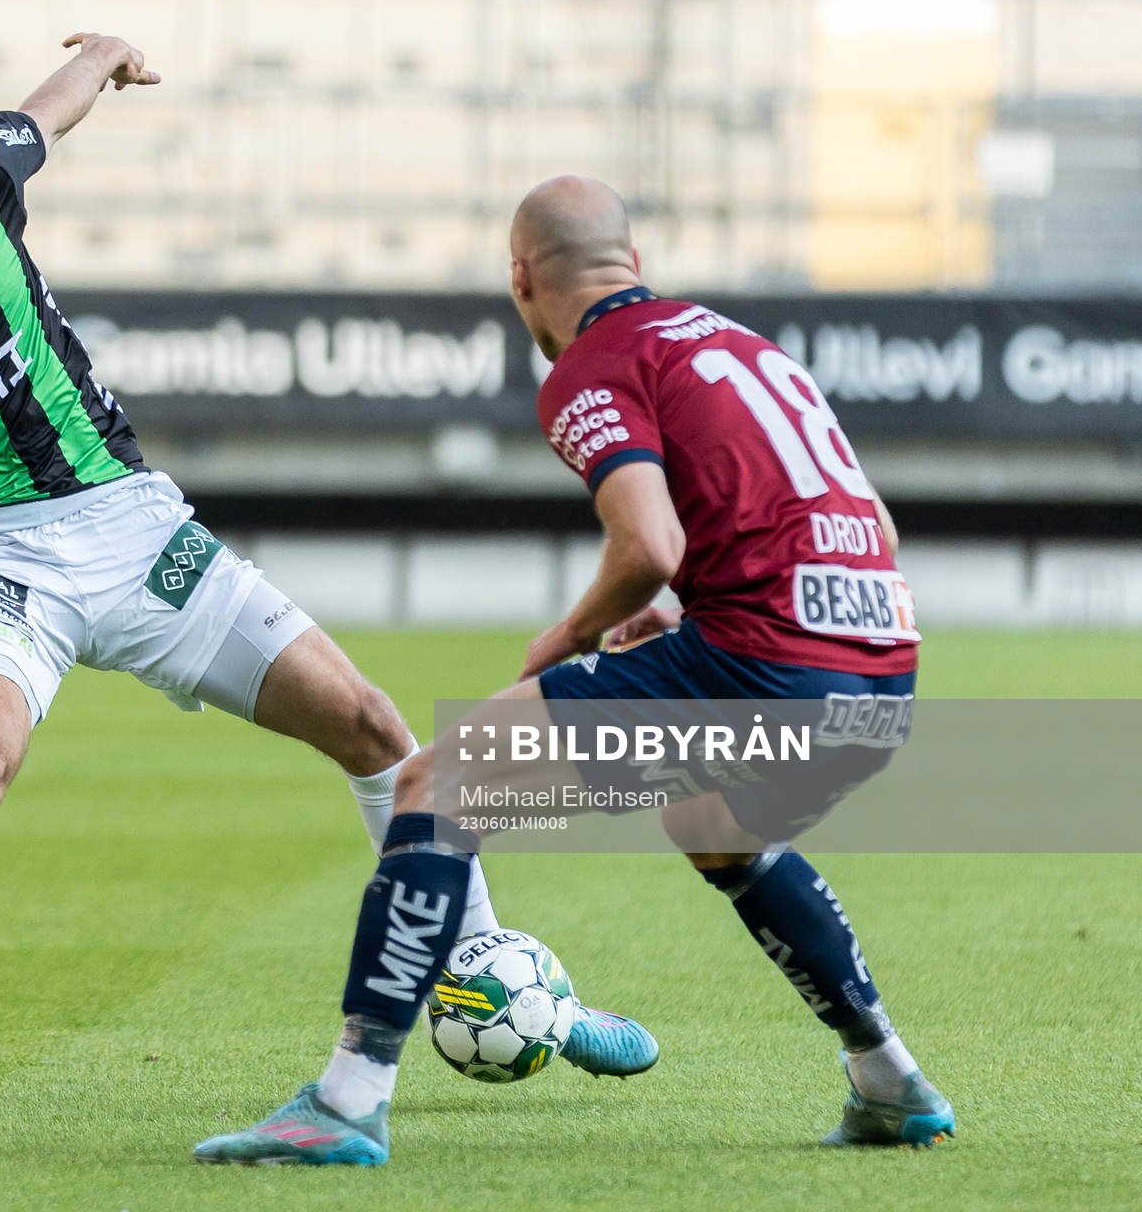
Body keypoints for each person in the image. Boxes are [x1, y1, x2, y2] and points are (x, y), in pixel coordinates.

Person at [0, 38, 645, 1123]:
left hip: (128, 525)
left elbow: (46, 111)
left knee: (370, 725)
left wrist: (109, 55)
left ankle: (506, 978)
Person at [195, 176, 953, 1166]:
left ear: (521, 278)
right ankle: (889, 1079)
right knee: (714, 826)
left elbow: (648, 543)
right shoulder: (746, 347)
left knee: (435, 786)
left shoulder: (597, 363)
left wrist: (570, 633)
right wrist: (693, 615)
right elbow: (875, 527)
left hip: (767, 663)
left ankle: (345, 1101)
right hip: (882, 676)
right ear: (633, 261)